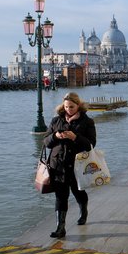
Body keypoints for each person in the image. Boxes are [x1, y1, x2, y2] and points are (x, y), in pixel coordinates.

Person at [43, 92, 96, 238]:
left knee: (78, 192)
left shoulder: (87, 122)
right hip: (58, 165)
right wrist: (55, 136)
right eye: (66, 107)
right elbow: (46, 142)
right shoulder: (56, 121)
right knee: (60, 196)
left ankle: (83, 211)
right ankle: (61, 228)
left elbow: (91, 144)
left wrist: (75, 137)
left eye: (71, 107)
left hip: (77, 165)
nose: (68, 110)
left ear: (78, 105)